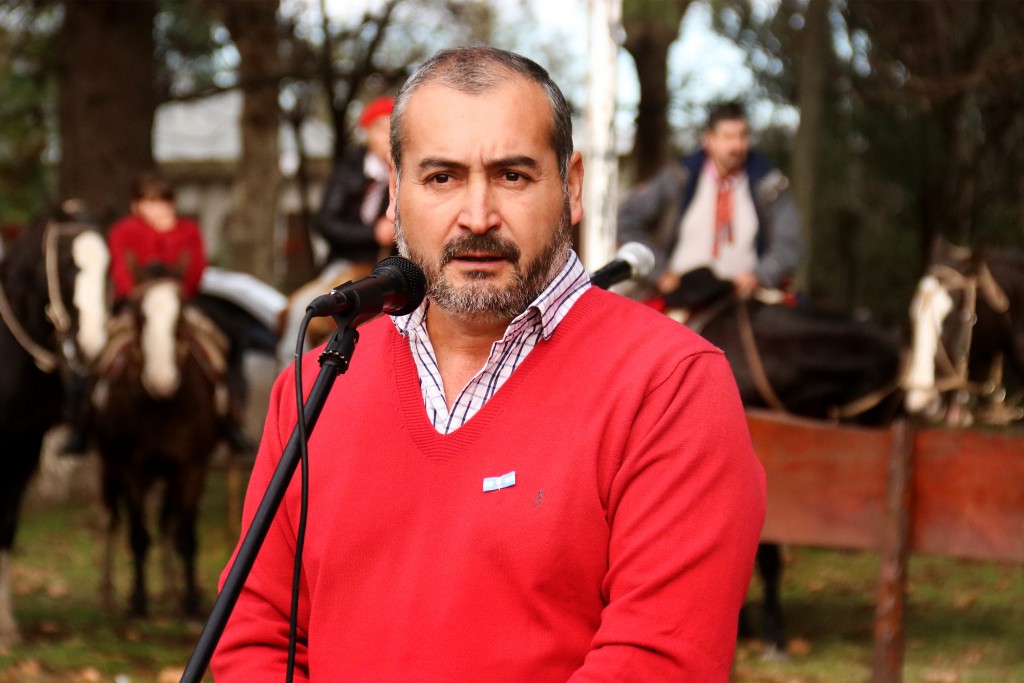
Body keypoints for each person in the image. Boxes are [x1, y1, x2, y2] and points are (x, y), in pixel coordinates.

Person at [213, 47, 766, 681]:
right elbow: (253, 633)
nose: (477, 217)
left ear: (572, 186)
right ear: (394, 191)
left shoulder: (672, 384)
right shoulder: (314, 384)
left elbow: (659, 662)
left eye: (512, 176)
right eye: (441, 178)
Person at [71, 171, 253, 454]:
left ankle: (230, 414)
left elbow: (196, 270)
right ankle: (81, 420)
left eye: (164, 202)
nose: (159, 209)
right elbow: (120, 271)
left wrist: (174, 287)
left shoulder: (187, 230)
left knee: (223, 341)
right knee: (98, 348)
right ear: (136, 205)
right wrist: (138, 294)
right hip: (134, 305)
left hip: (181, 303)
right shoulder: (122, 231)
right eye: (151, 202)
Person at [617, 100, 803, 305]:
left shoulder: (769, 184)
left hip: (746, 299)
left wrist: (760, 275)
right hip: (683, 297)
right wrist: (660, 272)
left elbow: (789, 241)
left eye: (742, 136)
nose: (737, 146)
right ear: (708, 140)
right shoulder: (678, 178)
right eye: (727, 137)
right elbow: (627, 219)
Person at [276, 95, 397, 367]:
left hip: (390, 268)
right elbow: (327, 222)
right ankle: (292, 374)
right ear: (366, 133)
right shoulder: (348, 171)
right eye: (380, 128)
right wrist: (372, 233)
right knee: (302, 311)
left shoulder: (409, 171)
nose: (387, 137)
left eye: (393, 128)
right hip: (346, 264)